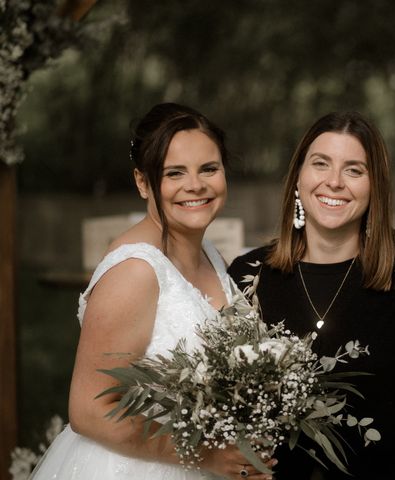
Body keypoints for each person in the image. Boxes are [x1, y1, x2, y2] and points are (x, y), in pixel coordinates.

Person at [31, 103, 275, 480]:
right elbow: (90, 410)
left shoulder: (210, 253)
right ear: (143, 182)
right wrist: (205, 455)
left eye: (209, 168)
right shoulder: (136, 271)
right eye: (173, 173)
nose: (195, 185)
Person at [228, 111, 395, 479]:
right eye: (321, 164)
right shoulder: (249, 275)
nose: (334, 182)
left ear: (374, 185)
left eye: (354, 170)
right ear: (298, 177)